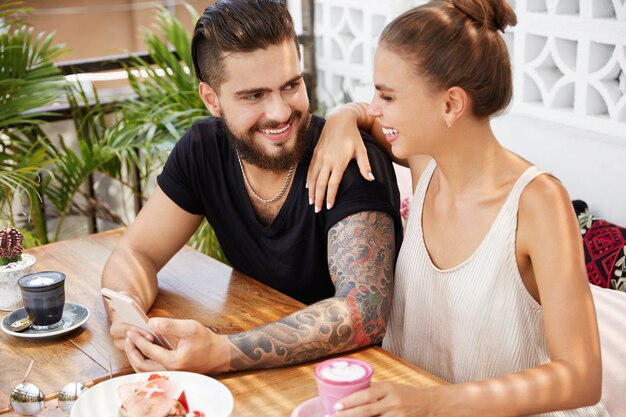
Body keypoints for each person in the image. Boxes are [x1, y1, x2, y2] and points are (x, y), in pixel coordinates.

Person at [306, 0, 609, 416]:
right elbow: (364, 118)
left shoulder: (538, 204)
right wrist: (342, 117)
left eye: (387, 95)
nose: (375, 107)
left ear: (451, 105)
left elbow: (581, 378)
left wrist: (435, 402)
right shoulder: (424, 162)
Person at [100, 0, 403, 375]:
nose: (279, 112)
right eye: (253, 95)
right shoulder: (203, 150)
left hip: (355, 379)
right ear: (212, 99)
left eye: (291, 85)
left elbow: (364, 313)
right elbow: (136, 253)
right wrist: (126, 313)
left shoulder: (349, 160)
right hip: (256, 375)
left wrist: (222, 351)